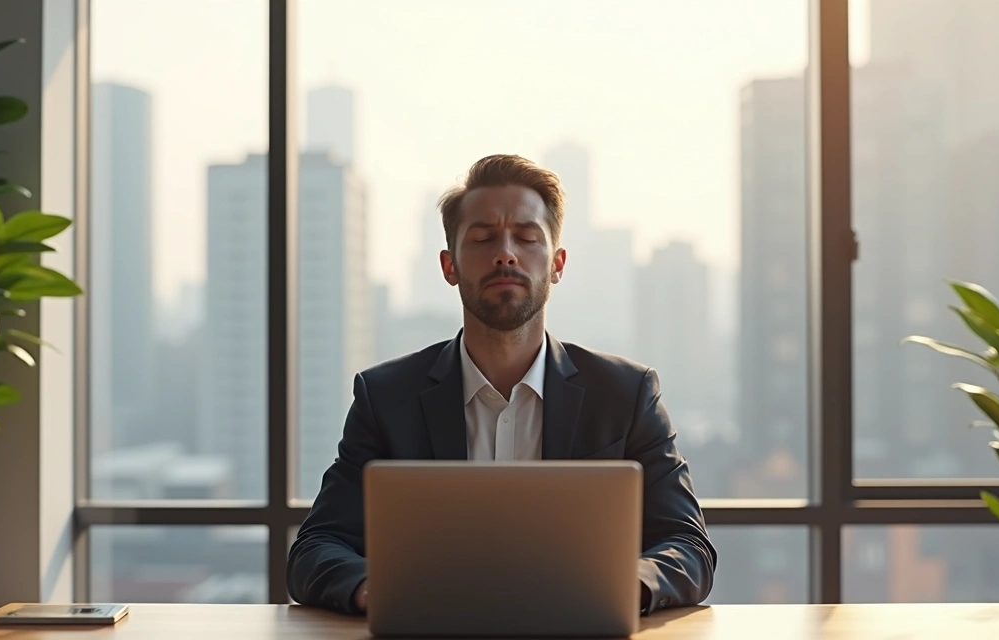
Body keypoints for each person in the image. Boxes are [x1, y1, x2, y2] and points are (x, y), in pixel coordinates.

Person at [287, 154, 716, 615]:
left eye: (528, 238)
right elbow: (316, 548)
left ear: (557, 264)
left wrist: (622, 585)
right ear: (449, 266)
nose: (505, 253)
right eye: (483, 237)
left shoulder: (626, 395)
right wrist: (378, 589)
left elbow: (688, 544)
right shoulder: (386, 398)